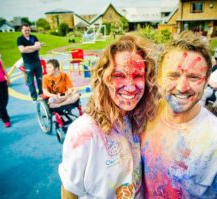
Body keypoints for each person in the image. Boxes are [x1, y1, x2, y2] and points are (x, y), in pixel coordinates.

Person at [141, 31, 217, 198]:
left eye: (193, 77)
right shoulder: (143, 117)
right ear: (159, 78)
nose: (182, 87)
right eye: (173, 75)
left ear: (206, 81)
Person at [59, 34, 159, 198]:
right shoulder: (84, 132)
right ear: (104, 78)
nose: (130, 86)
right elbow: (69, 192)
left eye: (137, 75)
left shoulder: (134, 119)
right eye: (119, 75)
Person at [17, 23, 42, 102]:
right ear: (21, 30)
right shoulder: (20, 39)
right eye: (25, 30)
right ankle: (34, 96)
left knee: (40, 79)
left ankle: (41, 93)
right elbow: (22, 50)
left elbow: (39, 47)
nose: (27, 31)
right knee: (31, 81)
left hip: (37, 62)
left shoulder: (34, 37)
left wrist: (27, 47)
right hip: (28, 63)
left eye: (28, 30)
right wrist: (34, 47)